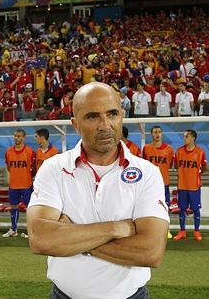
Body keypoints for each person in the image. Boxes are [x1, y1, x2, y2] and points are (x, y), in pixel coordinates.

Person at [27, 82, 169, 299]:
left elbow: (151, 252)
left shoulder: (147, 172)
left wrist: (75, 238)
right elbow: (41, 239)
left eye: (112, 114)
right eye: (93, 116)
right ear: (75, 124)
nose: (105, 125)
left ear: (121, 115)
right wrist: (116, 228)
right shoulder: (53, 168)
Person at [173, 130, 207, 241]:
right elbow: (176, 166)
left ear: (193, 138)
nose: (184, 138)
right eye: (184, 136)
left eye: (187, 136)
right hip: (182, 185)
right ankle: (182, 231)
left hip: (194, 186)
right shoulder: (179, 151)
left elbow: (205, 167)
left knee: (196, 209)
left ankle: (197, 231)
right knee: (182, 209)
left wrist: (197, 173)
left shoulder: (200, 152)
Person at [141, 126, 174, 239]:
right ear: (151, 134)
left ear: (162, 134)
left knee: (165, 207)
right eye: (155, 132)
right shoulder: (146, 148)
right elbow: (144, 165)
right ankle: (150, 230)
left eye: (159, 132)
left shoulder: (169, 149)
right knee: (149, 207)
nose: (157, 134)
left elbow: (169, 165)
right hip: (150, 184)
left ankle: (166, 230)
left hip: (164, 182)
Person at [3, 129, 35, 238]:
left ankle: (31, 231)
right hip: (14, 185)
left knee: (29, 208)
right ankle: (13, 229)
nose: (16, 138)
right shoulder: (8, 152)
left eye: (19, 136)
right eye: (15, 136)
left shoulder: (30, 152)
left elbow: (33, 169)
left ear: (24, 138)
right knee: (13, 206)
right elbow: (8, 167)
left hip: (26, 184)